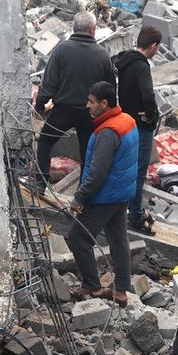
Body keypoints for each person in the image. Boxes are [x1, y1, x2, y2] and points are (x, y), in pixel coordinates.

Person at [65, 82, 139, 303]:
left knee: (77, 238)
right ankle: (121, 290)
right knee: (118, 239)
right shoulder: (127, 120)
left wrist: (80, 197)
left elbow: (97, 173)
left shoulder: (107, 132)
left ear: (104, 104)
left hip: (106, 195)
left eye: (91, 102)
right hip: (122, 191)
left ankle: (91, 286)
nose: (88, 106)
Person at [33, 11, 116, 187]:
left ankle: (41, 183)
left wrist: (40, 104)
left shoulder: (61, 50)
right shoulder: (102, 55)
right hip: (90, 113)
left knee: (46, 141)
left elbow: (49, 84)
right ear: (92, 30)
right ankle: (83, 193)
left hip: (63, 110)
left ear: (74, 28)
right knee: (88, 151)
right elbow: (110, 90)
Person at [113, 25, 162, 233]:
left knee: (125, 168)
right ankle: (135, 215)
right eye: (157, 47)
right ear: (152, 45)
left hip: (125, 121)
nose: (157, 51)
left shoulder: (125, 62)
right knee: (139, 172)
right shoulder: (142, 66)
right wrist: (151, 114)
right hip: (140, 127)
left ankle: (123, 211)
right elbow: (148, 95)